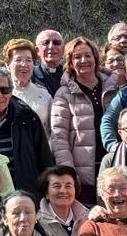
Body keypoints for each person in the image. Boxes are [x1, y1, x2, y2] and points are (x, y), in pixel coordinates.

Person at [50, 36, 120, 204]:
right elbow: (59, 138)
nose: (83, 60)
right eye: (77, 57)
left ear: (95, 58)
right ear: (70, 62)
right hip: (83, 176)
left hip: (115, 165)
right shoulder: (64, 94)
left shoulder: (113, 88)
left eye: (88, 55)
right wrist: (69, 173)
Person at [0, 66, 56, 192]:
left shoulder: (28, 116)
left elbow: (44, 158)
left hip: (24, 193)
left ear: (11, 91)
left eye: (5, 90)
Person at [4, 38, 53, 124]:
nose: (24, 64)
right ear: (7, 65)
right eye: (18, 60)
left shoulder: (43, 95)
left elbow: (54, 129)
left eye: (28, 60)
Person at [38, 165, 90, 236]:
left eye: (68, 186)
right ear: (46, 193)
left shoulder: (88, 217)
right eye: (57, 186)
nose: (63, 191)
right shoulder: (38, 223)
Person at [33, 29, 66, 95]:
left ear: (63, 49)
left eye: (56, 43)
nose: (51, 46)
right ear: (37, 50)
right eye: (45, 43)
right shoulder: (29, 76)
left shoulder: (71, 75)